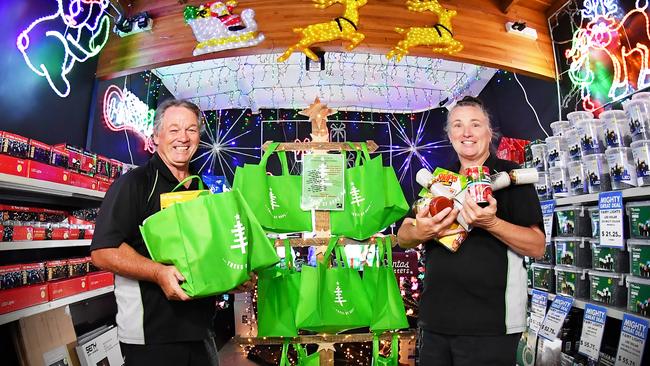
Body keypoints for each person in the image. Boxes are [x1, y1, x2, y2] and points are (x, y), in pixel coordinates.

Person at [90, 99, 253, 365]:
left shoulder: (200, 188)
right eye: (174, 129)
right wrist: (158, 272)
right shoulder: (135, 183)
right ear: (156, 136)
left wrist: (231, 278)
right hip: (152, 336)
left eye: (191, 130)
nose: (183, 138)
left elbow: (203, 256)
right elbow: (103, 251)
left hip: (201, 332)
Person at [397, 96, 545, 366]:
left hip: (492, 327)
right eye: (457, 125)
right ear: (450, 135)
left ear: (490, 132)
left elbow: (537, 246)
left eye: (475, 124)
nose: (466, 133)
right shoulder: (440, 180)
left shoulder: (513, 177)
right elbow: (403, 235)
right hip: (435, 324)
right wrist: (422, 230)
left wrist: (491, 223)